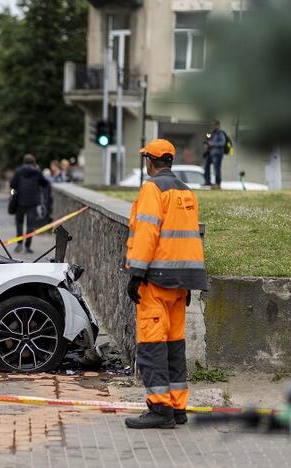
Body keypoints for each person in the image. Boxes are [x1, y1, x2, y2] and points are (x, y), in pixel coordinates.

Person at [124, 139, 208, 429]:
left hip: (156, 281)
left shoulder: (152, 189)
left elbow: (147, 232)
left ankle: (160, 410)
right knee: (174, 346)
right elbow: (191, 238)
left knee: (152, 346)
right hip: (181, 283)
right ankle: (177, 406)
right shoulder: (186, 192)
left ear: (150, 161)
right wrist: (188, 279)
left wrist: (136, 273)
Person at [9, 154, 49, 253]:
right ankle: (27, 246)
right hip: (33, 202)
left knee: (19, 223)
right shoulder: (37, 172)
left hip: (19, 201)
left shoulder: (18, 171)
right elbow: (44, 183)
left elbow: (12, 184)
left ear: (24, 161)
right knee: (30, 225)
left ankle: (19, 244)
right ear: (33, 162)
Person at [203, 119, 226, 186]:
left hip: (217, 153)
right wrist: (207, 143)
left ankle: (217, 183)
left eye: (213, 125)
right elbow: (207, 139)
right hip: (210, 152)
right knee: (206, 166)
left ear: (217, 125)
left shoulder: (220, 133)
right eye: (211, 125)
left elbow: (222, 143)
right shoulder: (211, 132)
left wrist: (212, 144)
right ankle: (207, 182)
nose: (212, 126)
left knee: (216, 168)